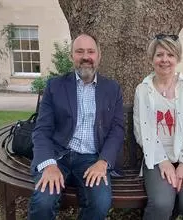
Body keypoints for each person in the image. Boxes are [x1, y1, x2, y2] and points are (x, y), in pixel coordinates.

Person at [28, 33, 124, 220]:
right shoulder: (55, 86)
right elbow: (42, 130)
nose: (85, 57)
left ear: (98, 55)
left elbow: (117, 129)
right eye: (79, 51)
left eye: (90, 51)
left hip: (92, 159)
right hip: (57, 156)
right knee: (43, 202)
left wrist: (103, 162)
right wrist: (48, 164)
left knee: (100, 203)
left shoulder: (112, 89)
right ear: (72, 56)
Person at [133, 34, 183, 220]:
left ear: (177, 58)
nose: (165, 60)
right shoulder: (142, 90)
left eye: (170, 54)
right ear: (152, 58)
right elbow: (142, 130)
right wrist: (163, 161)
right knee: (161, 204)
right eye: (159, 54)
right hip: (157, 156)